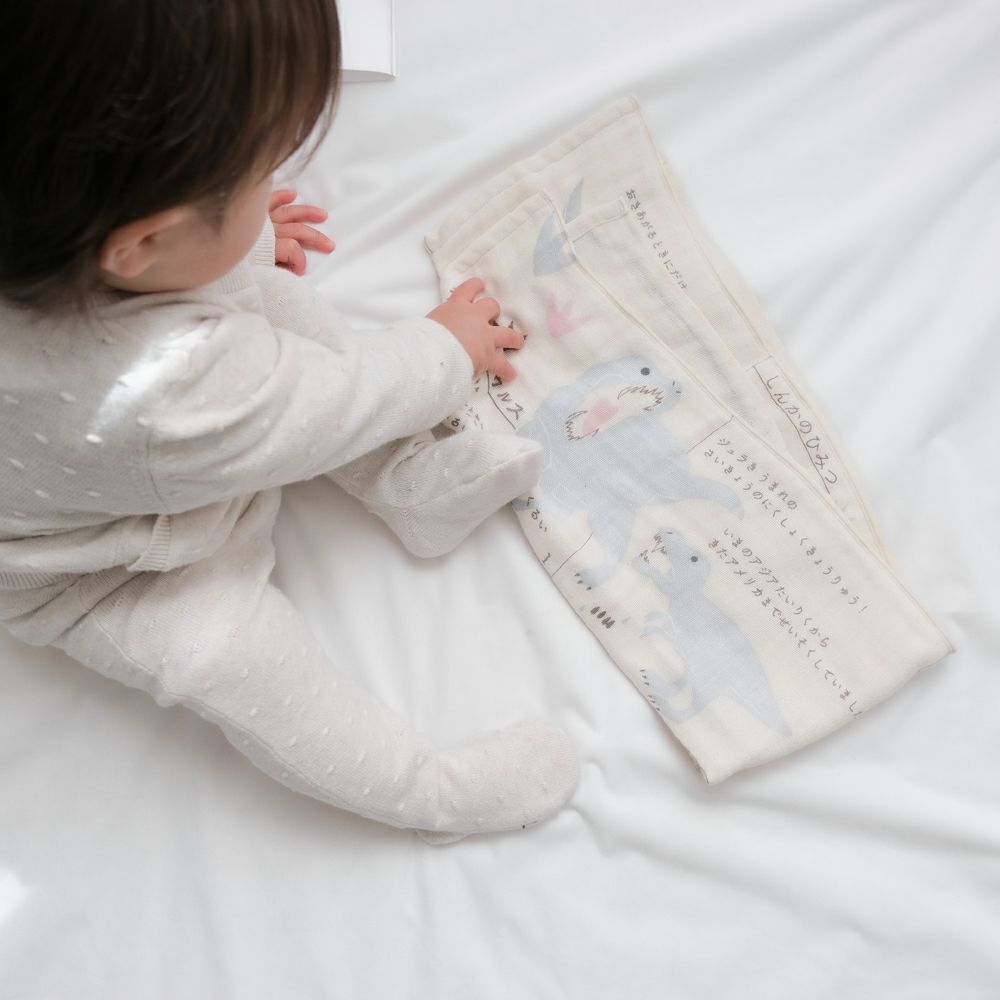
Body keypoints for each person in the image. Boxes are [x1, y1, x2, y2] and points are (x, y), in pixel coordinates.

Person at [0, 0, 578, 843]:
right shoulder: (171, 388)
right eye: (254, 176)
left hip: (137, 406)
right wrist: (445, 349)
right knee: (226, 653)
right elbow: (336, 399)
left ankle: (404, 482)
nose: (273, 182)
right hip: (107, 570)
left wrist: (235, 239)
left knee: (264, 295)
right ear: (143, 244)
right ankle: (428, 794)